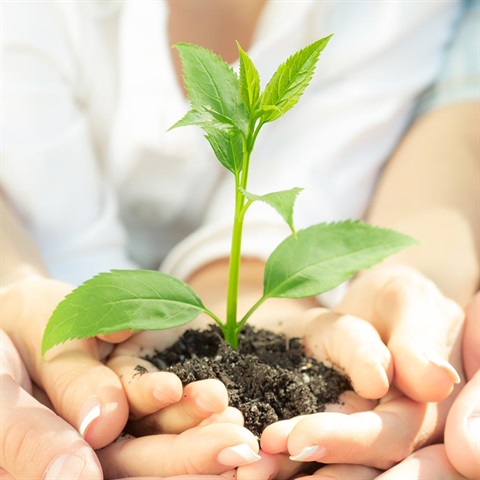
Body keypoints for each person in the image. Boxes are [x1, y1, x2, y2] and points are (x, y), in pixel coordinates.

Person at [0, 0, 478, 478]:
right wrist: (22, 293)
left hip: (225, 309)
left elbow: (315, 175)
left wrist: (258, 288)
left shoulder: (395, 13)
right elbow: (44, 203)